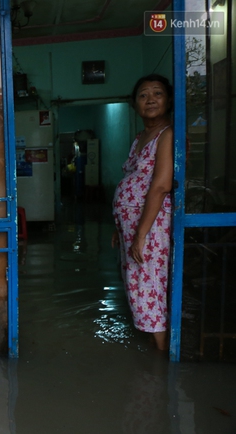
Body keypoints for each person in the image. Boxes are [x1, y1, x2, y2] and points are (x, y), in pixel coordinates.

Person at [112, 74, 174, 352]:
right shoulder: (140, 137)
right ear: (135, 104)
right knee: (137, 287)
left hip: (150, 226)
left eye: (157, 93)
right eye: (143, 95)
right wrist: (120, 226)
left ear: (169, 100)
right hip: (134, 227)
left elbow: (160, 186)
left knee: (148, 288)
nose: (150, 99)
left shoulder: (167, 134)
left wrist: (140, 234)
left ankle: (162, 356)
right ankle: (155, 344)